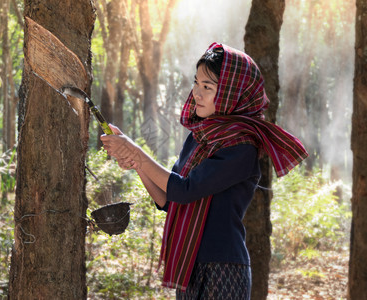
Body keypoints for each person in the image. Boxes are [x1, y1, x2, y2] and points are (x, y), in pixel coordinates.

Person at [100, 43, 308, 299]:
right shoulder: (199, 137)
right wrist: (136, 161)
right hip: (190, 267)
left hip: (224, 269)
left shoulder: (241, 147)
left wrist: (137, 152)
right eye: (196, 83)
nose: (196, 93)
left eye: (207, 87)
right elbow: (168, 199)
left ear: (233, 94)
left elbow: (186, 190)